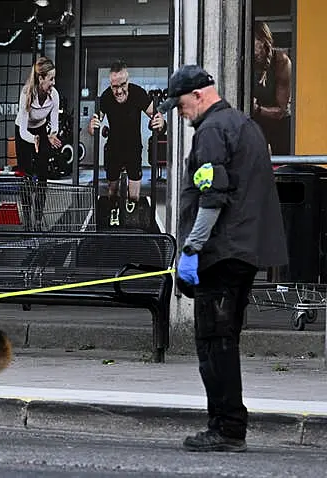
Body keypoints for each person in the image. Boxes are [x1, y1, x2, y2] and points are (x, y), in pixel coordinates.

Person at [158, 65, 287, 452]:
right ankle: (227, 424)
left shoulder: (213, 130)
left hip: (221, 254)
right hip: (241, 252)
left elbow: (212, 197)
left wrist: (191, 251)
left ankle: (227, 428)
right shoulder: (244, 125)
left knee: (214, 342)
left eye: (180, 105)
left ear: (199, 95)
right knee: (223, 340)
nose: (179, 114)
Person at [88, 60, 165, 226]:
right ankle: (114, 210)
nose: (119, 91)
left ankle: (132, 216)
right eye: (114, 86)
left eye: (122, 85)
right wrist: (92, 125)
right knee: (112, 190)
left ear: (128, 81)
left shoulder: (138, 93)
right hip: (114, 148)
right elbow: (94, 123)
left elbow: (156, 116)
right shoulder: (107, 97)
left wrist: (161, 122)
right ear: (110, 84)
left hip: (133, 147)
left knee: (134, 195)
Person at [14, 56, 63, 229]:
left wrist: (51, 135)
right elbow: (22, 131)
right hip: (24, 132)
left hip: (42, 130)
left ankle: (38, 219)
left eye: (54, 78)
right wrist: (33, 139)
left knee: (42, 176)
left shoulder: (54, 95)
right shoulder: (27, 94)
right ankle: (27, 221)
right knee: (26, 177)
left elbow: (54, 123)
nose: (53, 83)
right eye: (51, 79)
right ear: (41, 78)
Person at [252, 21, 292, 155]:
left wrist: (257, 109)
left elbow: (281, 110)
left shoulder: (281, 61)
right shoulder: (243, 59)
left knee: (282, 164)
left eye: (254, 40)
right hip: (253, 123)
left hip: (278, 125)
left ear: (262, 41)